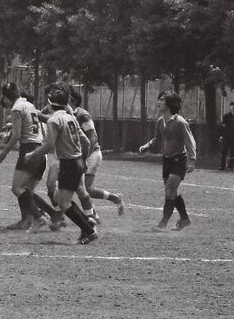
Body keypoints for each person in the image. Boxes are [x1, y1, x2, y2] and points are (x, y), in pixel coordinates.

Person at [24, 83, 98, 244]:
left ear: (50, 103)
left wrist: (32, 154)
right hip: (77, 162)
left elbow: (49, 144)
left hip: (68, 164)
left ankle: (89, 231)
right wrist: (82, 159)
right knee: (61, 198)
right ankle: (88, 223)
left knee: (63, 202)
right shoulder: (70, 117)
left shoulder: (54, 120)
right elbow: (85, 141)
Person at [0, 82, 56, 232]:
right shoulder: (29, 105)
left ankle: (39, 218)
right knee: (27, 191)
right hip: (40, 150)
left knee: (17, 188)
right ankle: (50, 216)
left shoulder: (16, 108)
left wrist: (3, 153)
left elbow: (16, 135)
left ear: (6, 97)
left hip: (29, 149)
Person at [139, 91, 197, 231]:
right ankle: (184, 219)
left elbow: (190, 142)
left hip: (179, 160)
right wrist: (147, 146)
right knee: (173, 193)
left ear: (170, 103)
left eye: (162, 100)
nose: (158, 102)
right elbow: (158, 138)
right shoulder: (160, 121)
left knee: (169, 191)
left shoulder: (180, 122)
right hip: (167, 161)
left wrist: (192, 160)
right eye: (158, 99)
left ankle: (163, 224)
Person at [68, 87, 125, 220]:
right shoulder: (68, 114)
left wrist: (85, 157)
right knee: (82, 188)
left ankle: (109, 203)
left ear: (73, 100)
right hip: (81, 155)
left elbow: (93, 137)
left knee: (85, 188)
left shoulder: (82, 115)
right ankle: (94, 214)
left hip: (91, 154)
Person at [219, 101, 234, 170]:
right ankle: (222, 166)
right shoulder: (226, 116)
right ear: (229, 107)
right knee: (224, 151)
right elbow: (223, 126)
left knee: (233, 152)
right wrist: (221, 135)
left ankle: (230, 166)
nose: (233, 107)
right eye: (232, 105)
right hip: (226, 136)